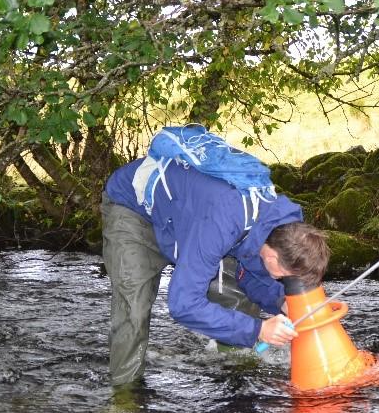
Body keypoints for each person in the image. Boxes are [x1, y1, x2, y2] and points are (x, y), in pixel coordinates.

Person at [101, 132, 330, 387]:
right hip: (134, 212)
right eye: (283, 277)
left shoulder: (277, 222)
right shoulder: (222, 222)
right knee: (134, 307)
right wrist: (258, 331)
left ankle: (234, 370)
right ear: (274, 254)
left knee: (234, 293)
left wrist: (281, 301)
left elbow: (252, 273)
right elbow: (183, 304)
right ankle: (124, 394)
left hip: (190, 218)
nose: (281, 280)